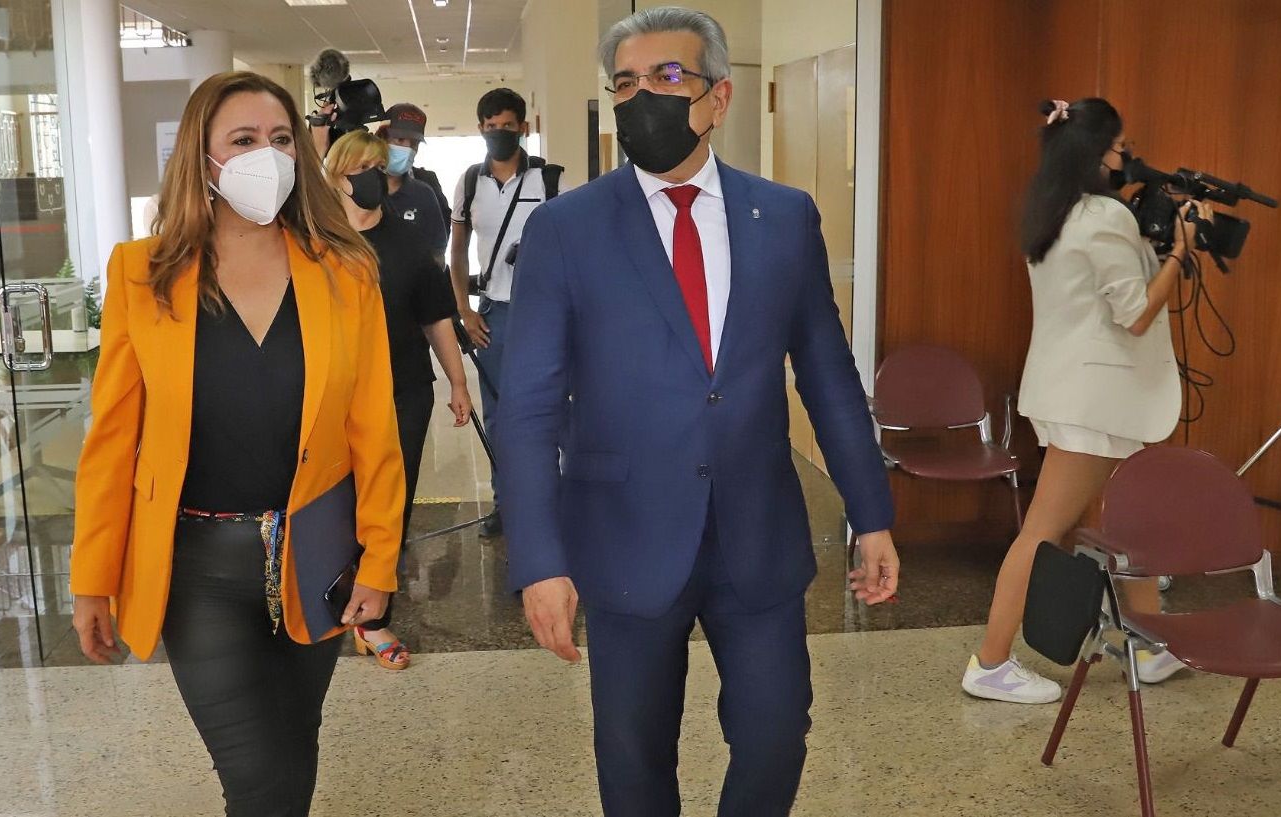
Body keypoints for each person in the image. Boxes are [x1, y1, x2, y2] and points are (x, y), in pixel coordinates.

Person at [497, 9, 900, 817]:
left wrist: (871, 512)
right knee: (633, 751)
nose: (641, 95)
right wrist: (538, 560)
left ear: (718, 98)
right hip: (623, 530)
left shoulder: (782, 217)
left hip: (756, 531)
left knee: (776, 732)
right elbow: (528, 406)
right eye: (625, 82)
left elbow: (826, 374)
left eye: (665, 77)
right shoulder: (565, 230)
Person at [69, 71, 406, 815]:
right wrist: (92, 574)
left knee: (293, 747)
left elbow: (373, 430)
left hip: (316, 556)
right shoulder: (143, 272)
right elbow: (112, 437)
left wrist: (379, 563)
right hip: (198, 570)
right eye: (245, 140)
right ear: (203, 157)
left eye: (282, 139)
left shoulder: (346, 271)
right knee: (259, 780)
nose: (269, 155)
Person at [960, 97, 1197, 704]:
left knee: (1120, 521)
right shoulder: (1102, 217)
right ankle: (989, 664)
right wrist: (1178, 251)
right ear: (1099, 154)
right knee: (1042, 531)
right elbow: (1137, 314)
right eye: (1122, 148)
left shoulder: (1055, 212)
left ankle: (1145, 645)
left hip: (1075, 388)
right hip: (1094, 398)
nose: (1128, 158)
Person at [324, 129, 476, 670]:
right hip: (331, 396)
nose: (371, 180)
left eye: (377, 169)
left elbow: (436, 317)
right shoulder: (312, 244)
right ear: (336, 176)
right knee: (333, 500)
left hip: (403, 389)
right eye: (359, 170)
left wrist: (458, 383)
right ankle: (329, 595)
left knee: (391, 498)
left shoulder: (409, 243)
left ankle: (372, 616)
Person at [447, 87, 554, 538]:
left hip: (543, 314)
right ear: (480, 130)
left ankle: (549, 504)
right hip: (492, 314)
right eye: (490, 128)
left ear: (523, 128)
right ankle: (504, 503)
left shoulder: (549, 181)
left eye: (507, 127)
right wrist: (464, 312)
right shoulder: (470, 181)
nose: (498, 134)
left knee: (546, 412)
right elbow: (455, 253)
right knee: (498, 414)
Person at [379, 103, 452, 256]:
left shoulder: (425, 190)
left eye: (414, 143)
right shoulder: (359, 186)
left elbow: (438, 249)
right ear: (381, 139)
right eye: (399, 140)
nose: (407, 148)